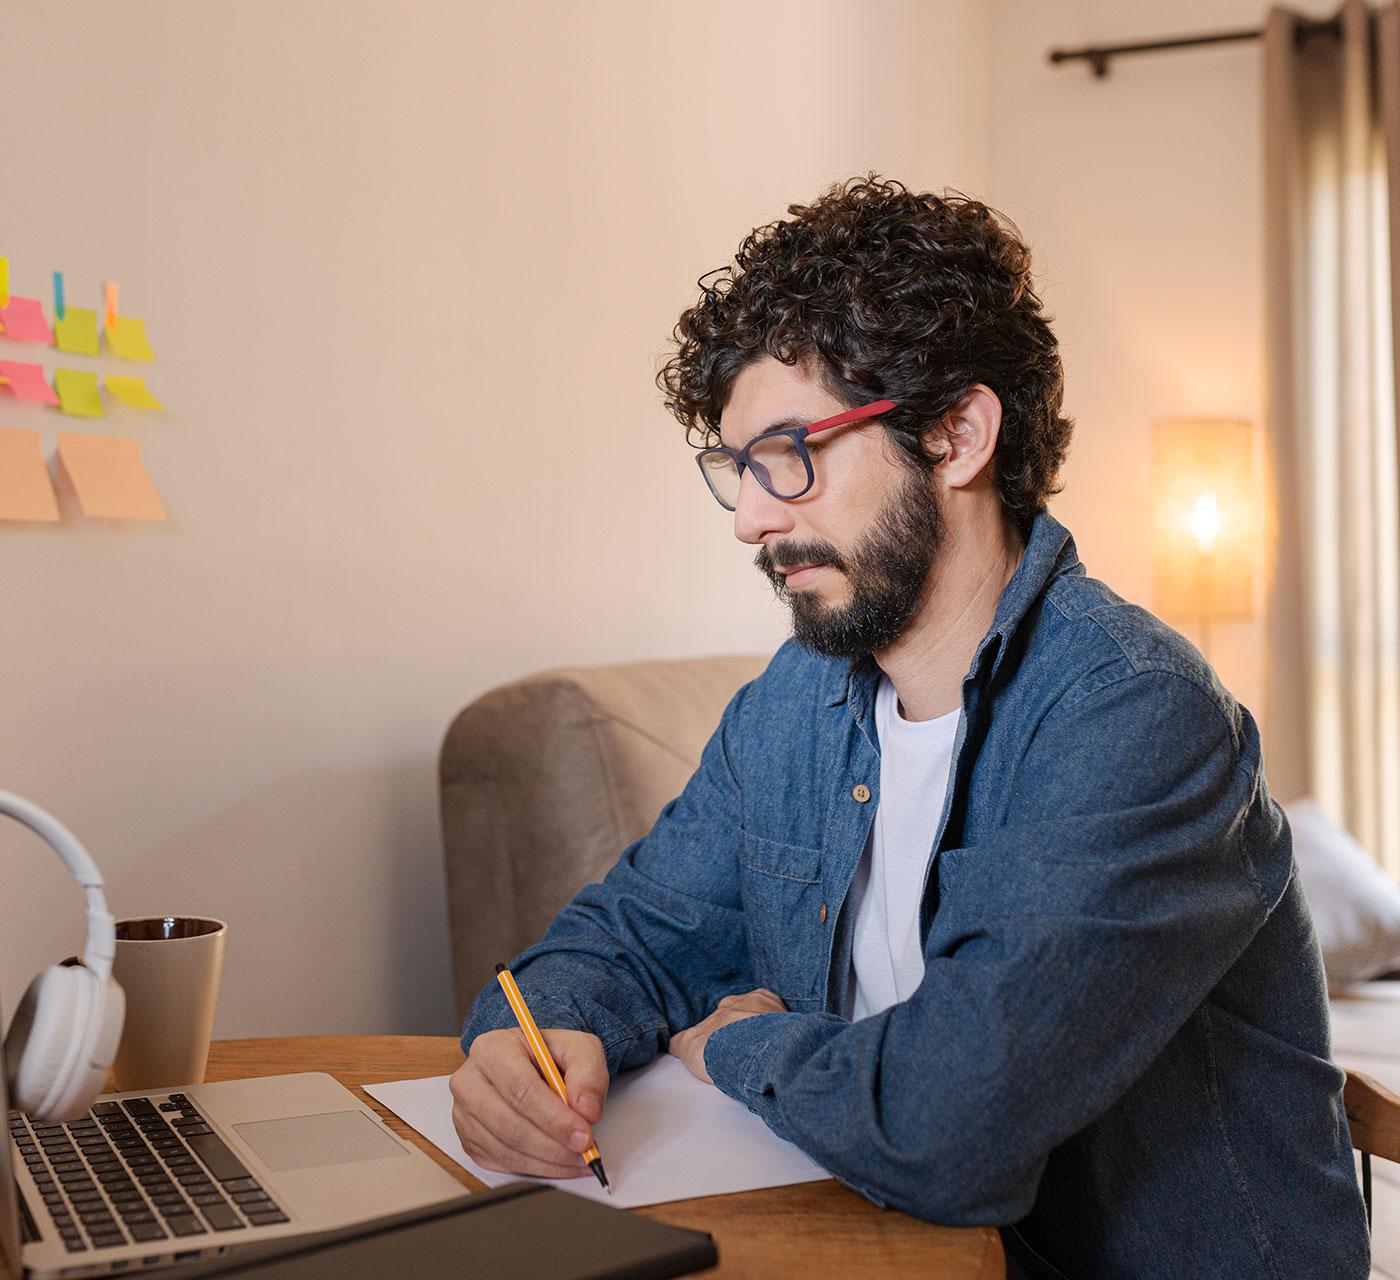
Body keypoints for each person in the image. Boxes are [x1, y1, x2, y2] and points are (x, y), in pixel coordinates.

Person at [449, 175, 1369, 1278]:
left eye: (789, 452)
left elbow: (949, 1125)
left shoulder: (1135, 715)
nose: (749, 516)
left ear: (955, 434)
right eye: (736, 468)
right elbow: (632, 933)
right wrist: (528, 1033)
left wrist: (729, 1039)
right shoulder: (794, 701)